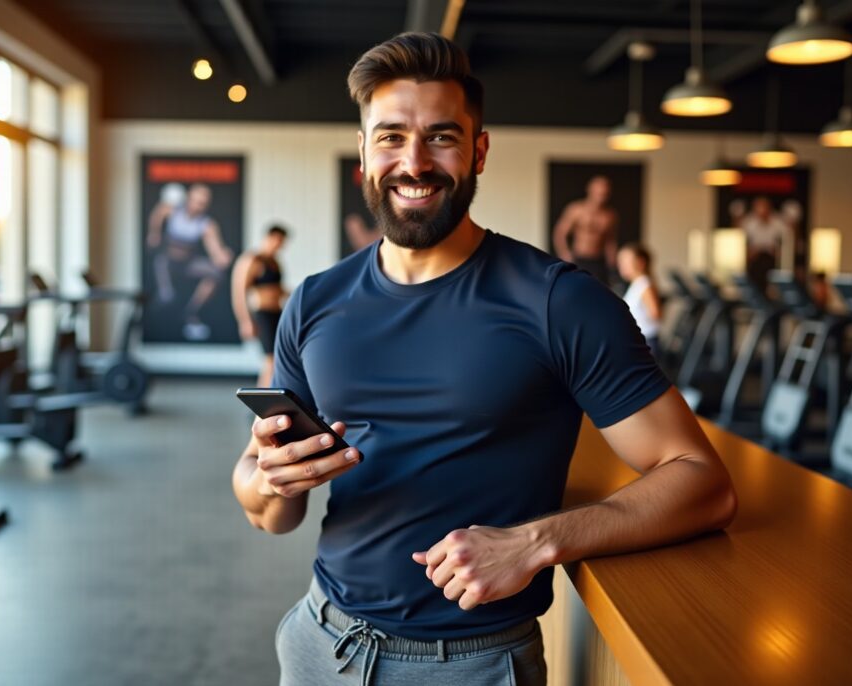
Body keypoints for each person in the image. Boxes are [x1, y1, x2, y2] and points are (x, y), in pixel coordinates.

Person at [231, 33, 736, 686]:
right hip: (318, 639)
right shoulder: (315, 301)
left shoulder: (560, 301)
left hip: (471, 665)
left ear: (479, 150)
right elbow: (269, 511)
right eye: (389, 137)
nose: (413, 163)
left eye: (440, 136)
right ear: (363, 153)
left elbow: (703, 482)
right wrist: (267, 478)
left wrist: (536, 543)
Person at [145, 183, 234, 340]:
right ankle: (165, 294)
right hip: (167, 262)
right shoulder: (173, 210)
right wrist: (155, 233)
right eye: (197, 201)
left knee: (216, 273)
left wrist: (222, 257)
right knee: (161, 262)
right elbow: (158, 214)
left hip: (188, 263)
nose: (199, 206)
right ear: (189, 198)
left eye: (203, 203)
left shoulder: (207, 224)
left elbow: (215, 248)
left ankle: (191, 310)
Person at [232, 225, 289, 387]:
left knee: (278, 359)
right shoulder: (252, 260)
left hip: (277, 312)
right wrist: (245, 321)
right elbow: (239, 292)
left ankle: (269, 402)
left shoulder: (275, 262)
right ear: (269, 238)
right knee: (270, 360)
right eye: (278, 241)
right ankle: (261, 407)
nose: (280, 245)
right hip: (262, 314)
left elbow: (278, 289)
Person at [552, 175, 618, 285]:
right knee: (576, 290)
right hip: (578, 259)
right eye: (598, 192)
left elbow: (610, 241)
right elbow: (560, 233)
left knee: (600, 293)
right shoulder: (576, 210)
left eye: (604, 193)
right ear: (590, 190)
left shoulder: (610, 215)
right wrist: (565, 254)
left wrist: (613, 264)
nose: (601, 196)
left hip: (598, 262)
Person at [731, 196, 795, 293]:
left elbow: (789, 236)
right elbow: (738, 236)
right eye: (759, 208)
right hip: (755, 260)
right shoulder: (749, 222)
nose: (762, 211)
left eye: (764, 207)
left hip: (771, 259)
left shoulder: (777, 221)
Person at [617, 243, 662, 359]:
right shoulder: (636, 284)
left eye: (626, 261)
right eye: (621, 261)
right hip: (638, 340)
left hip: (646, 341)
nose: (622, 266)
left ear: (641, 262)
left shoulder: (644, 284)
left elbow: (656, 313)